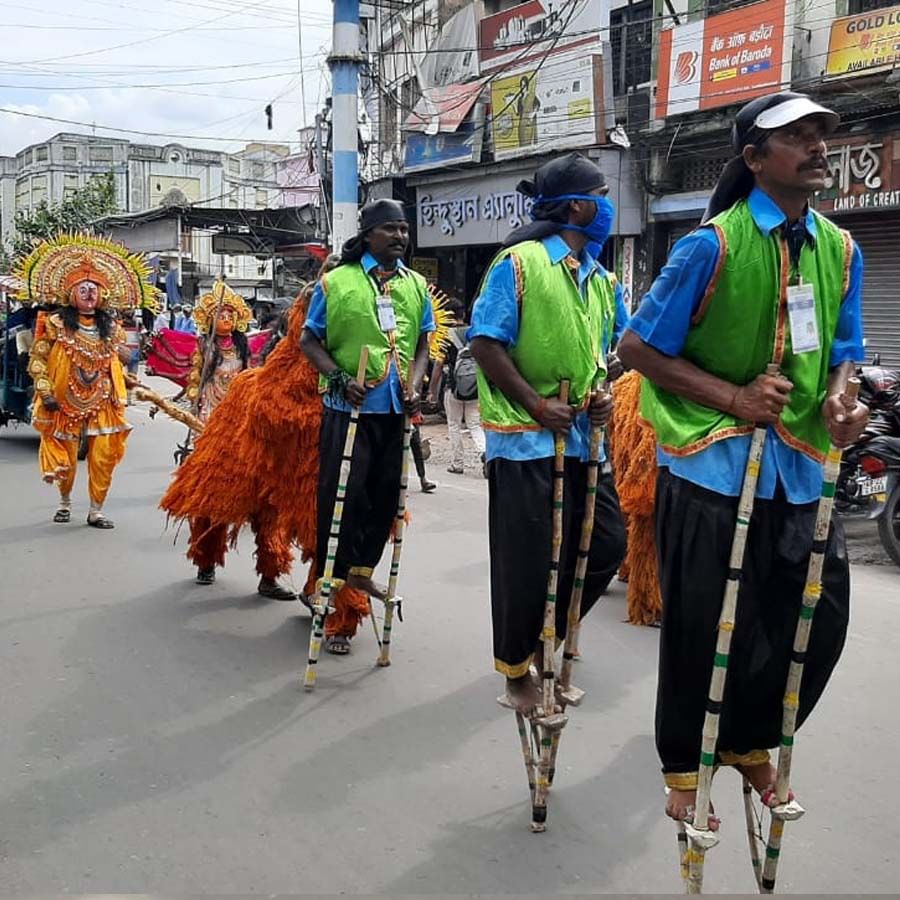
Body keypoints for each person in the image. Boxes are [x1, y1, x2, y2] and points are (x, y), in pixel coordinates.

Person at [617, 92, 870, 829]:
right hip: (711, 461)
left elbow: (845, 352)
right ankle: (686, 769)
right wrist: (732, 396)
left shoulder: (842, 250)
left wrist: (841, 402)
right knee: (707, 626)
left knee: (814, 623)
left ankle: (749, 741)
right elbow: (636, 349)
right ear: (755, 159)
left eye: (823, 133)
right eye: (799, 136)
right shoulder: (711, 246)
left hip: (798, 464)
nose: (819, 146)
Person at [468, 152, 627, 712]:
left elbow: (610, 353)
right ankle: (516, 673)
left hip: (584, 438)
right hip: (524, 438)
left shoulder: (603, 279)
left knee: (605, 542)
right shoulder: (519, 263)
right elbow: (484, 343)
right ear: (579, 206)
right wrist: (536, 403)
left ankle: (546, 641)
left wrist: (603, 392)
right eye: (602, 195)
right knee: (526, 558)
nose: (609, 206)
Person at [160, 263, 370, 646]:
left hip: (351, 412)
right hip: (270, 417)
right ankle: (209, 554)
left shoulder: (381, 300)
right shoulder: (311, 310)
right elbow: (292, 367)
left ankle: (318, 593)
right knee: (220, 492)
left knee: (340, 521)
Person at [300, 199, 435, 600]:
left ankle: (362, 570)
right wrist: (339, 378)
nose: (400, 237)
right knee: (345, 492)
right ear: (368, 235)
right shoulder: (336, 281)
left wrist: (415, 383)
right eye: (391, 229)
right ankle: (333, 572)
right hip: (350, 408)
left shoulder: (415, 284)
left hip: (395, 409)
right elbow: (310, 340)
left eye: (404, 230)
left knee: (387, 493)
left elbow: (424, 341)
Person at [20, 232, 157, 528]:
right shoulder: (55, 324)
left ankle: (96, 510)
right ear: (70, 294)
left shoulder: (111, 328)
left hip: (103, 399)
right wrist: (44, 392)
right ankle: (65, 503)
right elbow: (38, 361)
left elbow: (113, 362)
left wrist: (128, 379)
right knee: (66, 457)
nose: (89, 293)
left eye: (94, 289)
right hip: (63, 401)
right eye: (82, 288)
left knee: (103, 457)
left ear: (103, 294)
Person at [181, 283, 254, 584]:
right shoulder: (204, 344)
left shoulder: (242, 346)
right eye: (219, 313)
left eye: (229, 313)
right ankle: (205, 557)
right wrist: (194, 401)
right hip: (211, 411)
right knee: (211, 482)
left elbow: (249, 375)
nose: (224, 318)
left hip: (238, 410)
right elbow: (196, 379)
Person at [431, 299, 487, 476]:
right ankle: (484, 453)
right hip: (474, 387)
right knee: (474, 424)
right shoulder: (474, 333)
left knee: (454, 424)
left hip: (452, 387)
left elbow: (439, 364)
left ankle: (457, 464)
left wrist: (432, 390)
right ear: (463, 314)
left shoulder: (445, 336)